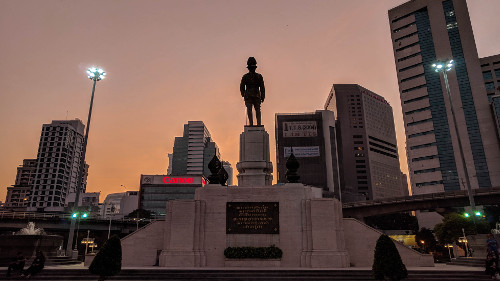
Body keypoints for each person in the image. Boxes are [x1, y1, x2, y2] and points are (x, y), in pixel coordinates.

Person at [240, 57, 265, 126]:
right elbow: (242, 86)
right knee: (250, 109)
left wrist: (262, 96)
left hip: (254, 95)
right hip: (250, 95)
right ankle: (252, 124)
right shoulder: (245, 77)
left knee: (256, 110)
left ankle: (258, 124)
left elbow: (262, 87)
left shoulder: (259, 76)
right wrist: (243, 94)